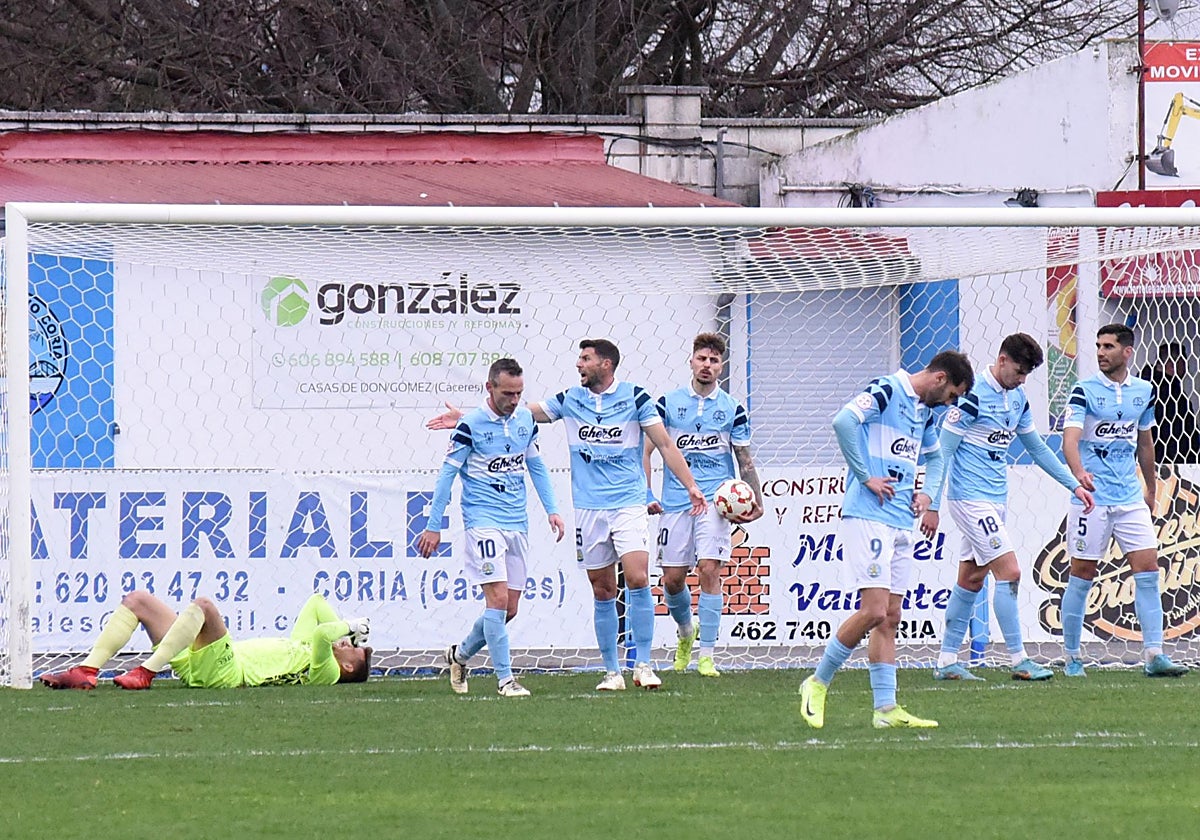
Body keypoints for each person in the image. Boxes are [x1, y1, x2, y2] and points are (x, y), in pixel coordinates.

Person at [429, 338, 706, 691]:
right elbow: (516, 409)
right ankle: (612, 672)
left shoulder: (636, 397)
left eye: (585, 358)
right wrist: (468, 418)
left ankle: (644, 665)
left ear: (605, 364)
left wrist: (690, 485)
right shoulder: (570, 400)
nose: (578, 364)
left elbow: (665, 444)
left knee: (637, 577)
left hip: (628, 503)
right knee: (602, 589)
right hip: (589, 508)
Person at [799, 350, 974, 730]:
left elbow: (937, 456)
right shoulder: (886, 390)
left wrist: (928, 494)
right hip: (868, 514)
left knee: (890, 618)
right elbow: (843, 421)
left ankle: (885, 709)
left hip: (900, 521)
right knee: (875, 610)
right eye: (953, 396)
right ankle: (817, 681)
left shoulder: (925, 412)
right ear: (940, 379)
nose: (951, 405)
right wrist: (865, 476)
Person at [926, 333, 1094, 683]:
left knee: (971, 579)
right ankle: (1019, 659)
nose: (1021, 380)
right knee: (1011, 571)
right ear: (1002, 360)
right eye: (1018, 371)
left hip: (996, 499)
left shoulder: (1017, 399)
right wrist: (931, 503)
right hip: (970, 499)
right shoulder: (970, 396)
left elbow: (1037, 449)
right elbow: (943, 451)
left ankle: (945, 661)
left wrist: (1074, 484)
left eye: (1026, 374)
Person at [418, 358, 566, 697]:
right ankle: (505, 680)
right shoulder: (470, 425)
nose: (514, 400)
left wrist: (552, 510)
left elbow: (536, 466)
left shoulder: (525, 420)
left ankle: (460, 655)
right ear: (489, 388)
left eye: (519, 393)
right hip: (482, 521)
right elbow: (447, 476)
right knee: (497, 600)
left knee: (509, 609)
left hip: (518, 522)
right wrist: (433, 525)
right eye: (507, 393)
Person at [1060, 324, 1189, 678]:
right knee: (1082, 574)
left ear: (1127, 352)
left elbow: (1145, 443)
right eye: (1098, 346)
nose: (1101, 352)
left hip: (1130, 497)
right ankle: (1072, 657)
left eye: (1109, 346)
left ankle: (1154, 654)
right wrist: (1079, 475)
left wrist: (1150, 487)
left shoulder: (1144, 391)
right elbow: (1069, 442)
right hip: (1093, 499)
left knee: (1148, 571)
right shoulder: (1083, 391)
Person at [644, 332, 763, 678]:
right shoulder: (668, 403)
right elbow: (648, 450)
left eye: (713, 361)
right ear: (691, 361)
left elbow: (744, 458)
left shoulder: (732, 408)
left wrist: (757, 497)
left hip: (716, 500)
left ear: (721, 367)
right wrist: (648, 493)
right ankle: (686, 633)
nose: (707, 365)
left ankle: (707, 655)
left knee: (710, 569)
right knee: (672, 580)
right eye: (702, 359)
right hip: (676, 500)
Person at [39, 591, 372, 690]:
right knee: (137, 601)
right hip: (207, 661)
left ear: (345, 667)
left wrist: (349, 626)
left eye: (351, 649)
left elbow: (321, 632)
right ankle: (87, 670)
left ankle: (146, 672)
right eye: (350, 641)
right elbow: (314, 602)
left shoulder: (325, 672)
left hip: (228, 673)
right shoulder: (305, 649)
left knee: (205, 607)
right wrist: (352, 630)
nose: (346, 642)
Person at [1140, 341, 1200, 465]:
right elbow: (1176, 434)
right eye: (1184, 363)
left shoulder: (1142, 387)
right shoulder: (1169, 394)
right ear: (1174, 364)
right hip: (1167, 466)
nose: (1186, 368)